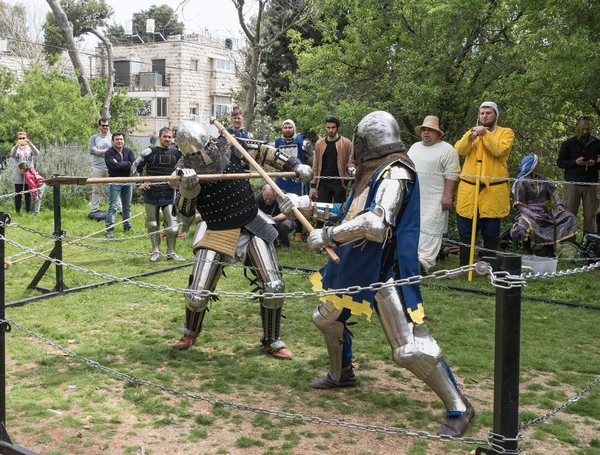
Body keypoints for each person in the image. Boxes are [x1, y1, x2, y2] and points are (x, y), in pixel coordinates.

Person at [279, 111, 475, 437]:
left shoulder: (395, 172)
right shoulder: (373, 172)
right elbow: (347, 212)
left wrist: (328, 237)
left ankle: (459, 405)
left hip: (387, 268)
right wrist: (305, 205)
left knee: (409, 349)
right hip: (358, 264)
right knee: (326, 319)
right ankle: (342, 374)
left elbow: (374, 224)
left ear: (367, 142)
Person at [171, 121, 313, 359]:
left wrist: (295, 165)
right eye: (195, 154)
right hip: (216, 228)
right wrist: (187, 189)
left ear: (208, 141)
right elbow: (185, 217)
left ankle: (273, 340)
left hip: (250, 222)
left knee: (274, 286)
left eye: (203, 149)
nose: (202, 156)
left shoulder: (231, 145)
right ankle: (190, 331)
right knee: (196, 296)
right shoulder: (184, 169)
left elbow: (265, 151)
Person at [454, 102, 514, 266]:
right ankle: (464, 267)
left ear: (495, 115)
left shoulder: (505, 133)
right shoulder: (472, 132)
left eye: (488, 113)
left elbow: (499, 150)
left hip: (492, 191)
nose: (484, 116)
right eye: (482, 113)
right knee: (466, 230)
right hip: (469, 189)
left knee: (491, 231)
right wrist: (469, 137)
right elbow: (459, 150)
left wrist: (485, 135)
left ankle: (488, 267)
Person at [408, 116, 460, 273]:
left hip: (435, 197)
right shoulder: (415, 147)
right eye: (424, 129)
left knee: (431, 228)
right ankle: (410, 259)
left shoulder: (447, 150)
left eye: (430, 130)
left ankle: (425, 262)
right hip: (414, 196)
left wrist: (448, 195)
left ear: (437, 133)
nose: (426, 132)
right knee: (414, 226)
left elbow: (452, 174)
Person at [132, 127, 184, 262]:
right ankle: (155, 251)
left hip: (169, 193)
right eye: (165, 136)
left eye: (169, 137)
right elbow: (135, 167)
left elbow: (186, 169)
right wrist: (140, 183)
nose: (167, 139)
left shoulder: (178, 154)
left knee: (173, 227)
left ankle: (171, 253)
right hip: (151, 193)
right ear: (160, 137)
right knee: (153, 224)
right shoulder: (150, 152)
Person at [511, 154, 577, 251]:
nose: (540, 164)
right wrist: (531, 214)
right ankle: (526, 248)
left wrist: (558, 203)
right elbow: (519, 205)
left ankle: (550, 247)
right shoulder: (521, 182)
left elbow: (553, 192)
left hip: (543, 212)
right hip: (526, 213)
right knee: (524, 226)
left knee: (569, 217)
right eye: (538, 163)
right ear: (532, 165)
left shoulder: (541, 179)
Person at [557, 116, 600, 235]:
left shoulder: (598, 143)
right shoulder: (568, 143)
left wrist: (594, 163)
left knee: (590, 215)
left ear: (591, 128)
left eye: (588, 129)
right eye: (583, 129)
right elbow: (560, 162)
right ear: (577, 128)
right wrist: (575, 162)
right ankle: (567, 244)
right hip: (572, 183)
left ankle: (589, 244)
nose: (585, 132)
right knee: (569, 214)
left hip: (591, 183)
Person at [309, 115, 354, 208]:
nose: (330, 130)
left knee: (340, 210)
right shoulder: (319, 143)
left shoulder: (346, 143)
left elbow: (352, 163)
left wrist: (349, 184)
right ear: (325, 127)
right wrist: (313, 186)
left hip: (339, 183)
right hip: (323, 183)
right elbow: (316, 165)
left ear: (337, 128)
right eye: (328, 127)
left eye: (333, 127)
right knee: (320, 211)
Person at [275, 119, 306, 241]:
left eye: (290, 127)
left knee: (298, 204)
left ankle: (298, 232)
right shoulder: (277, 142)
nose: (287, 130)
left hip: (296, 180)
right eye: (285, 127)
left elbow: (309, 159)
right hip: (281, 178)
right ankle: (279, 231)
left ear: (294, 129)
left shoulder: (301, 141)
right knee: (280, 202)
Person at [104, 133, 136, 238]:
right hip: (115, 181)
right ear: (112, 141)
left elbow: (133, 165)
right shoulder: (109, 153)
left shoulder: (129, 151)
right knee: (113, 206)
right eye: (117, 139)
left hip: (127, 181)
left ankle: (127, 226)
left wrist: (121, 164)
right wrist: (127, 163)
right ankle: (109, 230)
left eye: (121, 139)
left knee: (127, 206)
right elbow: (113, 167)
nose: (119, 141)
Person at [89, 117, 121, 215]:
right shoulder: (94, 138)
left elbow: (116, 151)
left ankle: (120, 209)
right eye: (103, 125)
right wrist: (108, 152)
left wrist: (101, 152)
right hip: (97, 167)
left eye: (107, 125)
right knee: (96, 189)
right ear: (99, 126)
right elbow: (93, 151)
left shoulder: (112, 137)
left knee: (115, 188)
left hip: (110, 167)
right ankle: (94, 209)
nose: (105, 127)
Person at [256, 184, 295, 252]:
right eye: (265, 198)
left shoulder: (283, 196)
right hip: (267, 221)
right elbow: (255, 213)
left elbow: (288, 213)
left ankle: (284, 244)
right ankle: (271, 242)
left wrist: (273, 218)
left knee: (283, 225)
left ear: (275, 194)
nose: (268, 201)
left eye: (271, 198)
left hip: (284, 219)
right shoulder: (258, 199)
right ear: (262, 194)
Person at [10, 131, 39, 214]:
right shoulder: (16, 148)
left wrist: (30, 144)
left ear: (26, 138)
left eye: (23, 138)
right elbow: (12, 155)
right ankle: (18, 211)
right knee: (18, 193)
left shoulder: (29, 148)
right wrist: (16, 146)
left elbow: (37, 153)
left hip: (29, 174)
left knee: (28, 193)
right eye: (20, 138)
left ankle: (28, 211)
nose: (22, 139)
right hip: (18, 173)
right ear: (17, 139)